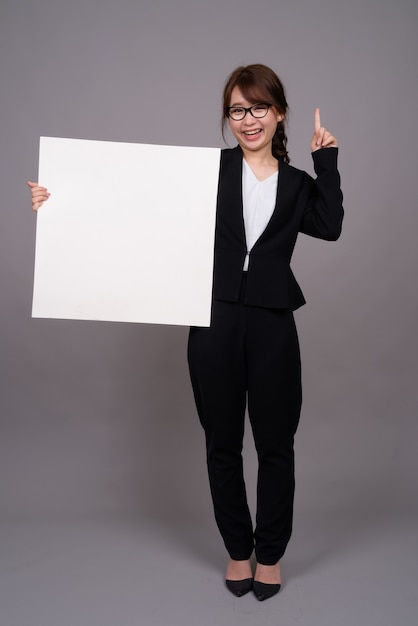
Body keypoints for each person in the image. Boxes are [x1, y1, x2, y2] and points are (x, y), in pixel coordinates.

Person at [28, 63, 343, 602]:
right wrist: (61, 203)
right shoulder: (207, 171)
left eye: (259, 107)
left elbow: (331, 225)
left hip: (272, 323)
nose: (248, 119)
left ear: (279, 112)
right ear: (228, 118)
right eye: (237, 110)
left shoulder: (297, 185)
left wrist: (327, 159)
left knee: (275, 444)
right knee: (221, 442)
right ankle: (238, 550)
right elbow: (135, 207)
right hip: (212, 317)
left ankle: (269, 555)